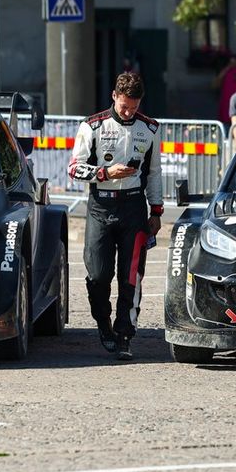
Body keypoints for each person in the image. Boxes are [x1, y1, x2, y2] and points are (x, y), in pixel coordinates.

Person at [68, 72, 163, 361]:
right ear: (114, 96)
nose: (128, 112)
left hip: (134, 209)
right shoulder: (92, 125)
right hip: (100, 206)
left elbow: (154, 173)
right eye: (124, 106)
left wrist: (156, 210)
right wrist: (104, 173)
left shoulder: (150, 129)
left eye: (133, 107)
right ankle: (103, 322)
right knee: (98, 275)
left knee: (130, 276)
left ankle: (125, 334)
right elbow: (73, 168)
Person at [213, 55, 236, 127]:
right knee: (225, 120)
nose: (232, 64)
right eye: (230, 62)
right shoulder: (225, 71)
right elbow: (216, 83)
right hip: (226, 100)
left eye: (234, 62)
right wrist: (227, 69)